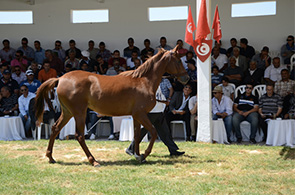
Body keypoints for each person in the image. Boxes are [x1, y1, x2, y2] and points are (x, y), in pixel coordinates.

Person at [125, 86, 185, 156]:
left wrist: (165, 102)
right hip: (152, 111)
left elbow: (159, 96)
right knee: (143, 131)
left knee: (165, 132)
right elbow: (152, 98)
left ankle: (173, 150)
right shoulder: (148, 85)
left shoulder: (157, 84)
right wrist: (164, 101)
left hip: (159, 111)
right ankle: (131, 148)